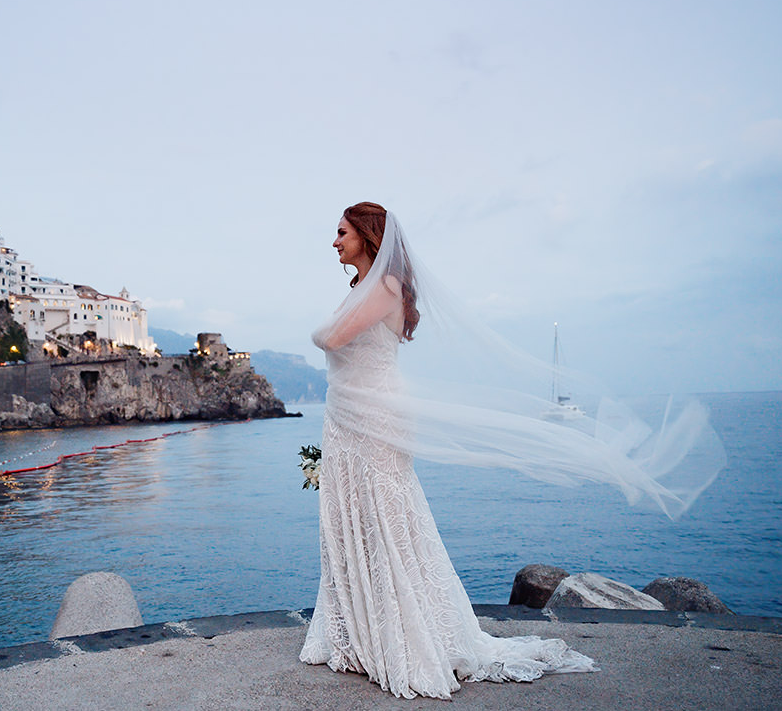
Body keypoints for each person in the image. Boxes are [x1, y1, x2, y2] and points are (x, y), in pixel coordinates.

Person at [299, 202, 724, 699]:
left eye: (342, 232)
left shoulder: (386, 288)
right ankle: (361, 632)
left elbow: (334, 337)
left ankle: (405, 634)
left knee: (386, 517)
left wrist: (316, 332)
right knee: (351, 517)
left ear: (368, 236)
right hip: (347, 416)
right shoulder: (361, 290)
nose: (334, 242)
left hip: (373, 417)